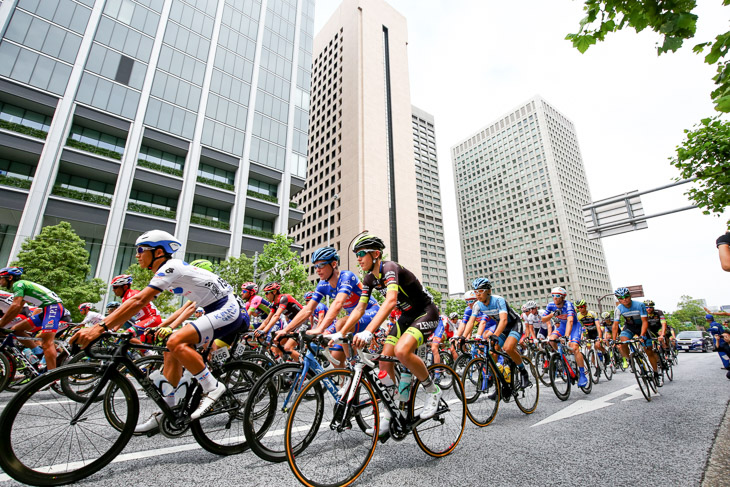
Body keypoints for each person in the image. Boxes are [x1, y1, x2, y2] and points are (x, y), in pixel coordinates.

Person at [70, 230, 248, 432]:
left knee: (175, 341)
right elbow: (152, 305)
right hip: (213, 310)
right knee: (169, 349)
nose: (136, 255)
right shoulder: (166, 271)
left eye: (140, 250)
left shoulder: (172, 267)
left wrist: (99, 328)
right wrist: (165, 326)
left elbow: (139, 300)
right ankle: (169, 408)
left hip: (228, 308)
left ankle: (213, 387)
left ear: (159, 252)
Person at [338, 234, 442, 435]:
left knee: (402, 351)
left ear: (376, 254)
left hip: (425, 312)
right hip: (406, 316)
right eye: (356, 255)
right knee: (385, 362)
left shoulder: (390, 268)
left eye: (361, 254)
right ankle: (392, 410)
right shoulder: (369, 278)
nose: (358, 258)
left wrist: (369, 332)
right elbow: (359, 309)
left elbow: (391, 301)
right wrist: (339, 333)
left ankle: (432, 391)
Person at [276, 246, 380, 366]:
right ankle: (349, 380)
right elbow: (308, 309)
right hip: (353, 317)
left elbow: (338, 303)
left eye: (321, 265)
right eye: (315, 266)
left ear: (334, 264)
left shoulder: (347, 277)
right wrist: (285, 330)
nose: (317, 270)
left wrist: (320, 328)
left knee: (340, 324)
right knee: (334, 357)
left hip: (371, 311)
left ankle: (354, 363)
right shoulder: (322, 285)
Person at [460, 277, 530, 389]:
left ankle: (523, 372)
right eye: (476, 292)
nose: (478, 294)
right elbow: (471, 321)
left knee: (508, 347)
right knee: (492, 352)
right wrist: (463, 337)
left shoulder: (498, 300)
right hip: (501, 326)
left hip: (513, 324)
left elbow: (504, 320)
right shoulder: (477, 305)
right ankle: (498, 381)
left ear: (489, 291)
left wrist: (495, 335)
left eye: (481, 291)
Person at [0, 267, 65, 371]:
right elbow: (18, 309)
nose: (0, 281)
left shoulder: (18, 285)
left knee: (47, 343)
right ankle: (38, 352)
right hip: (46, 310)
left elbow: (15, 306)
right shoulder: (22, 286)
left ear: (10, 277)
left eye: (1, 278)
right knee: (16, 329)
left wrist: (1, 324)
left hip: (53, 307)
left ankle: (52, 377)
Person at [611, 287, 660, 382]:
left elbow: (645, 322)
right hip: (629, 327)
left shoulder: (640, 305)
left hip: (642, 327)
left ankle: (655, 372)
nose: (624, 299)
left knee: (649, 351)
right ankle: (629, 360)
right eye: (621, 298)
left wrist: (642, 335)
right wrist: (614, 339)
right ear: (618, 299)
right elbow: (615, 325)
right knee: (622, 341)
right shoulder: (618, 309)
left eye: (626, 296)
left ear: (630, 296)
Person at [543, 287, 587, 387]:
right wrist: (552, 314)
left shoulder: (568, 305)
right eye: (553, 295)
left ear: (563, 297)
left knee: (574, 347)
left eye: (557, 296)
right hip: (561, 326)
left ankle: (583, 374)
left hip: (574, 326)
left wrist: (567, 336)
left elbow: (570, 321)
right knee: (552, 340)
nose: (555, 298)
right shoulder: (550, 305)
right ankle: (562, 358)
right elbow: (543, 319)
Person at [109, 274, 162, 343]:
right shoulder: (125, 298)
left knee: (127, 335)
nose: (113, 290)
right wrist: (114, 330)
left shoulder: (132, 295)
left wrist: (110, 327)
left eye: (115, 287)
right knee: (143, 348)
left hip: (152, 318)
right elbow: (124, 318)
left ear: (125, 287)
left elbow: (123, 316)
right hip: (144, 321)